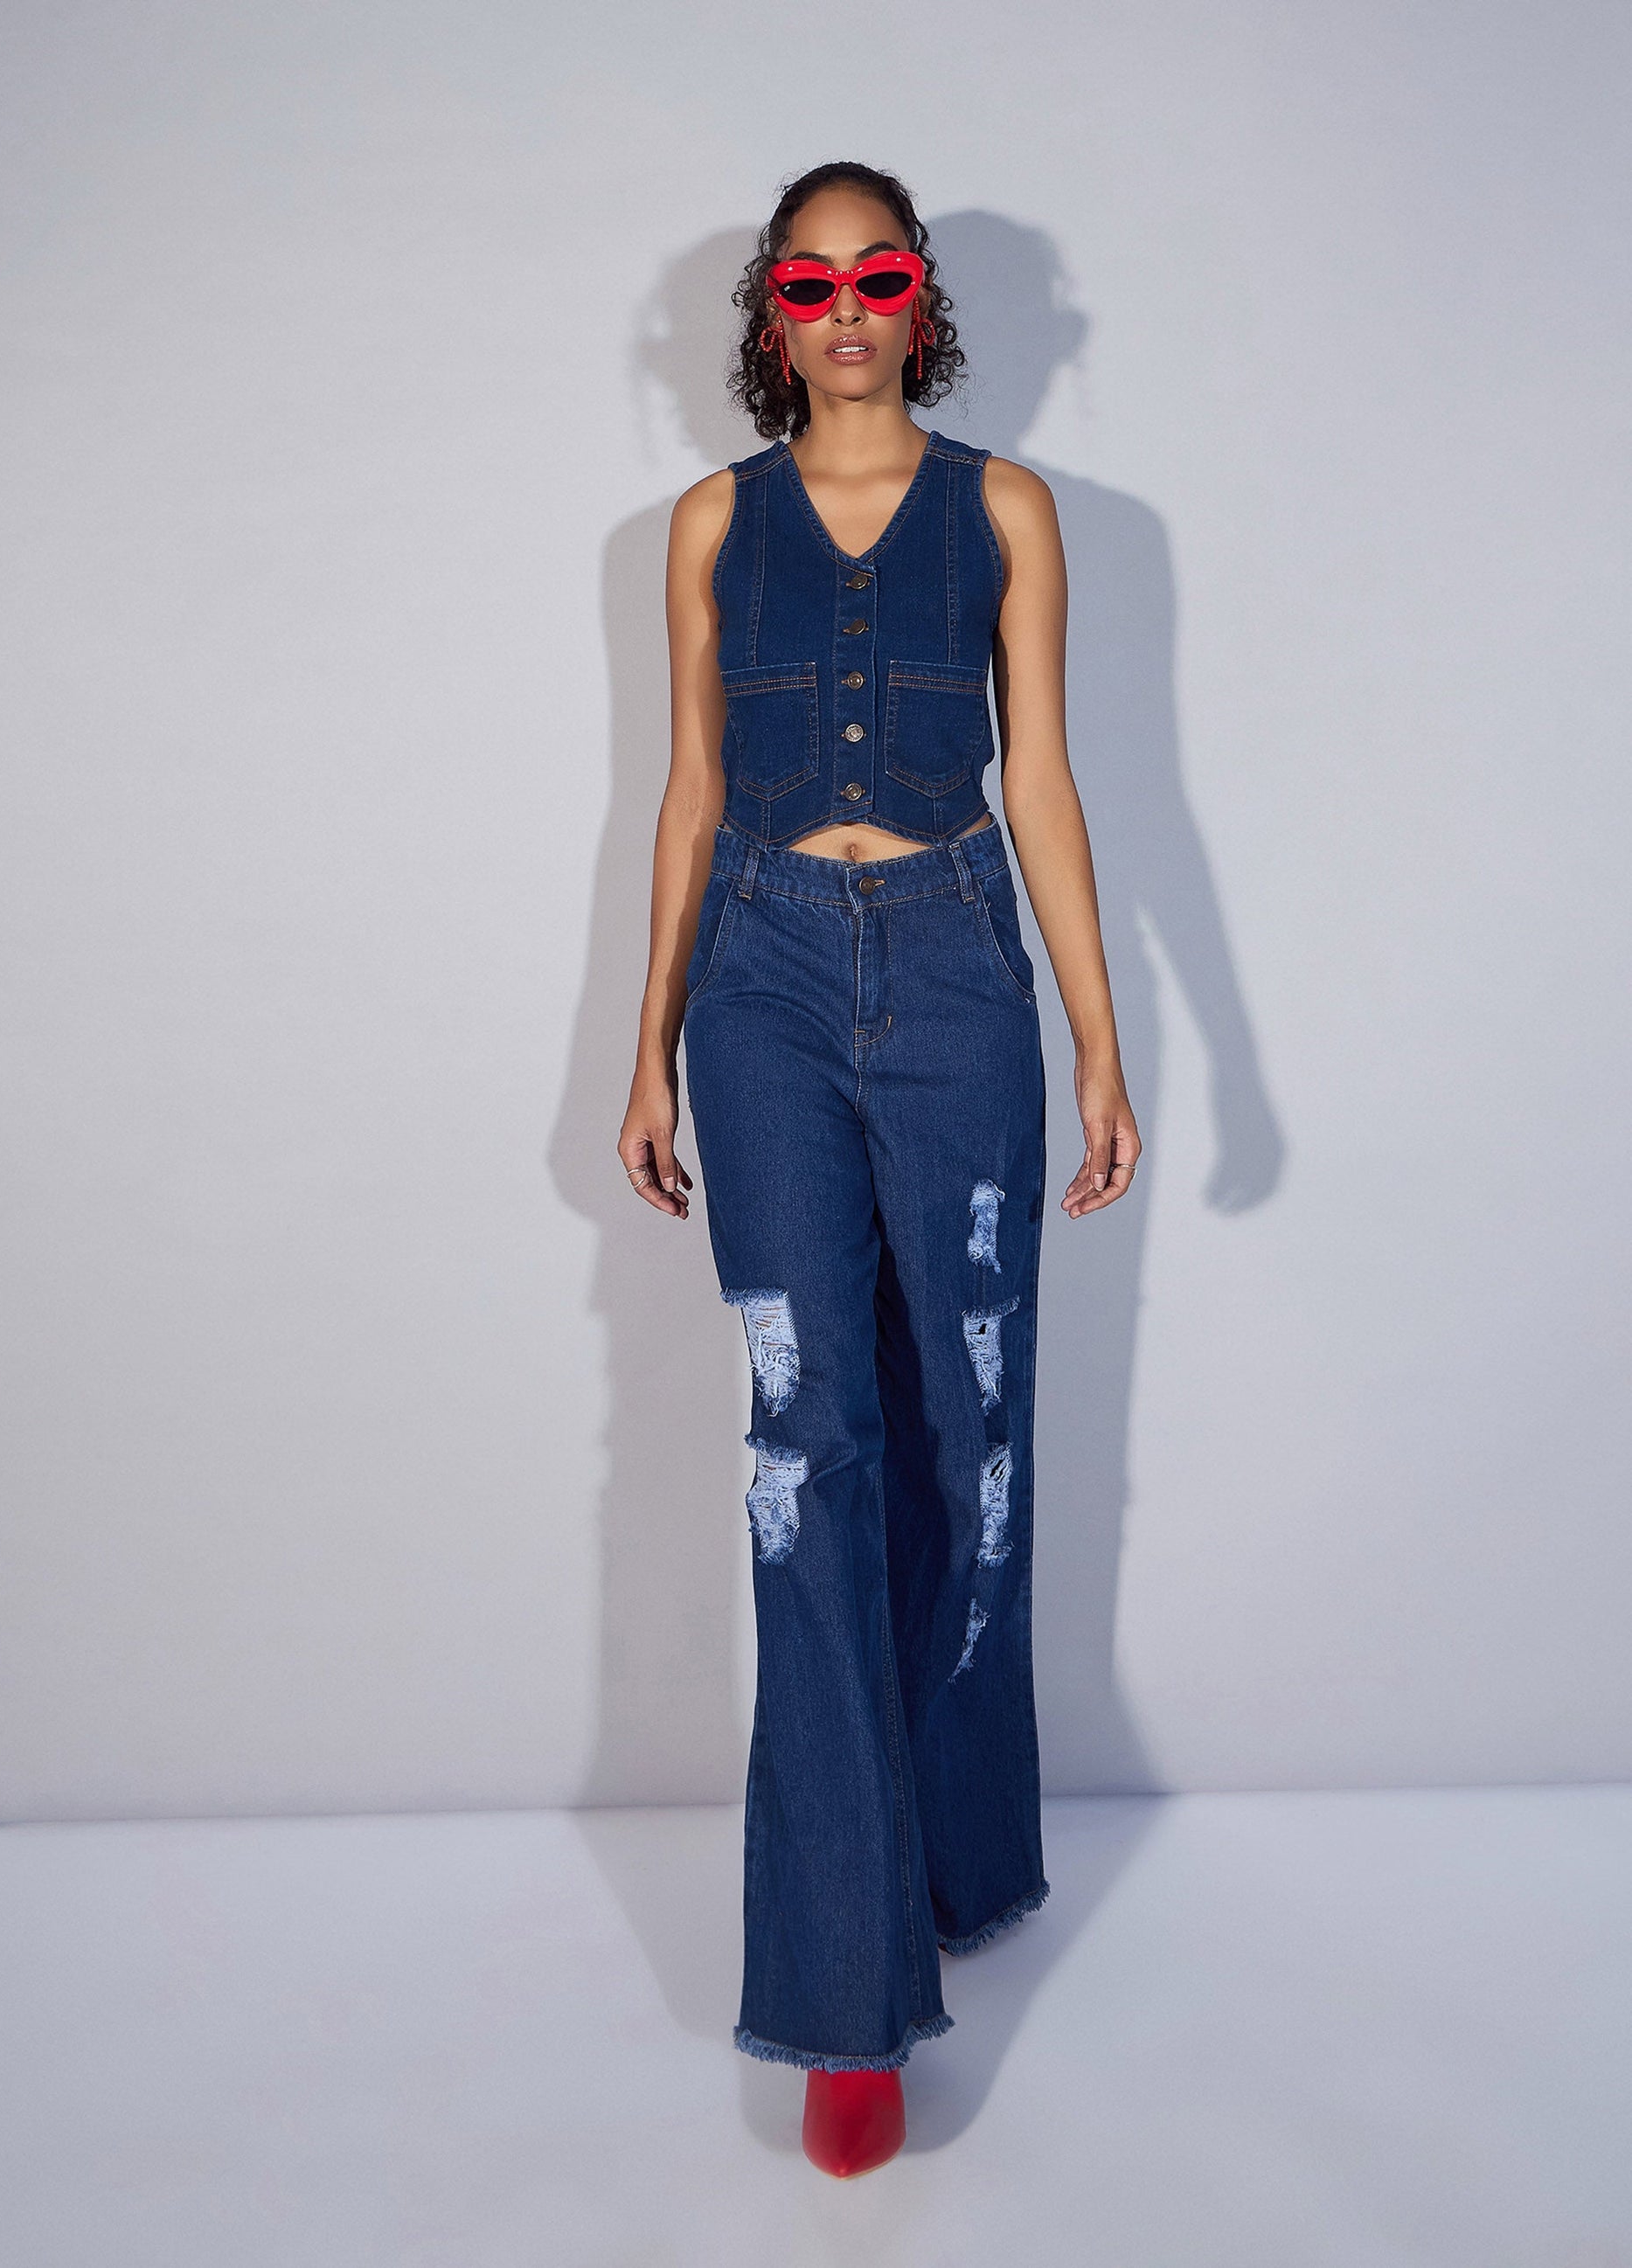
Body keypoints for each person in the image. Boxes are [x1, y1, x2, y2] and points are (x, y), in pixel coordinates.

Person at [618, 160, 1140, 2177]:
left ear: (922, 304)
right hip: (756, 981)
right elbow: (687, 793)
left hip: (953, 966)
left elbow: (1044, 778)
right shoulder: (708, 525)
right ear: (773, 313)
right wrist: (647, 1047)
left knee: (964, 1437)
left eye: (881, 277)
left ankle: (952, 1843)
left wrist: (1096, 1033)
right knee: (808, 1440)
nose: (847, 310)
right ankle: (847, 1993)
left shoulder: (1005, 511)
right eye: (811, 283)